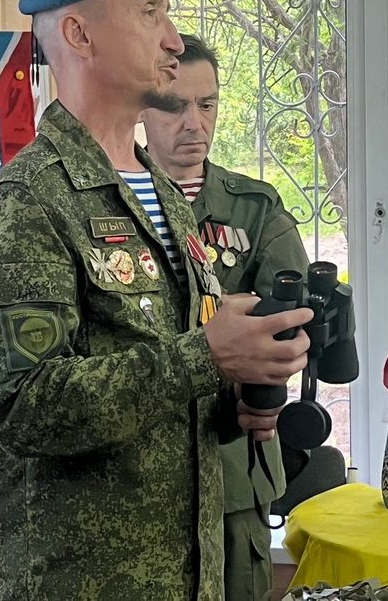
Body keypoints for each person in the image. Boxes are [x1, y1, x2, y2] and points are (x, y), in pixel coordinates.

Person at [0, 0, 313, 600]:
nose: (173, 40)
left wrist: (239, 389)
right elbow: (24, 407)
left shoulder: (163, 195)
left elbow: (165, 393)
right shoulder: (28, 205)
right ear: (79, 35)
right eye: (149, 13)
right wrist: (205, 355)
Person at [143, 33, 311, 601]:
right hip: (136, 467)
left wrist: (267, 384)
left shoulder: (253, 209)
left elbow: (296, 321)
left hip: (231, 461)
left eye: (207, 104)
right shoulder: (108, 205)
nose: (194, 123)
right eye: (174, 105)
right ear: (142, 107)